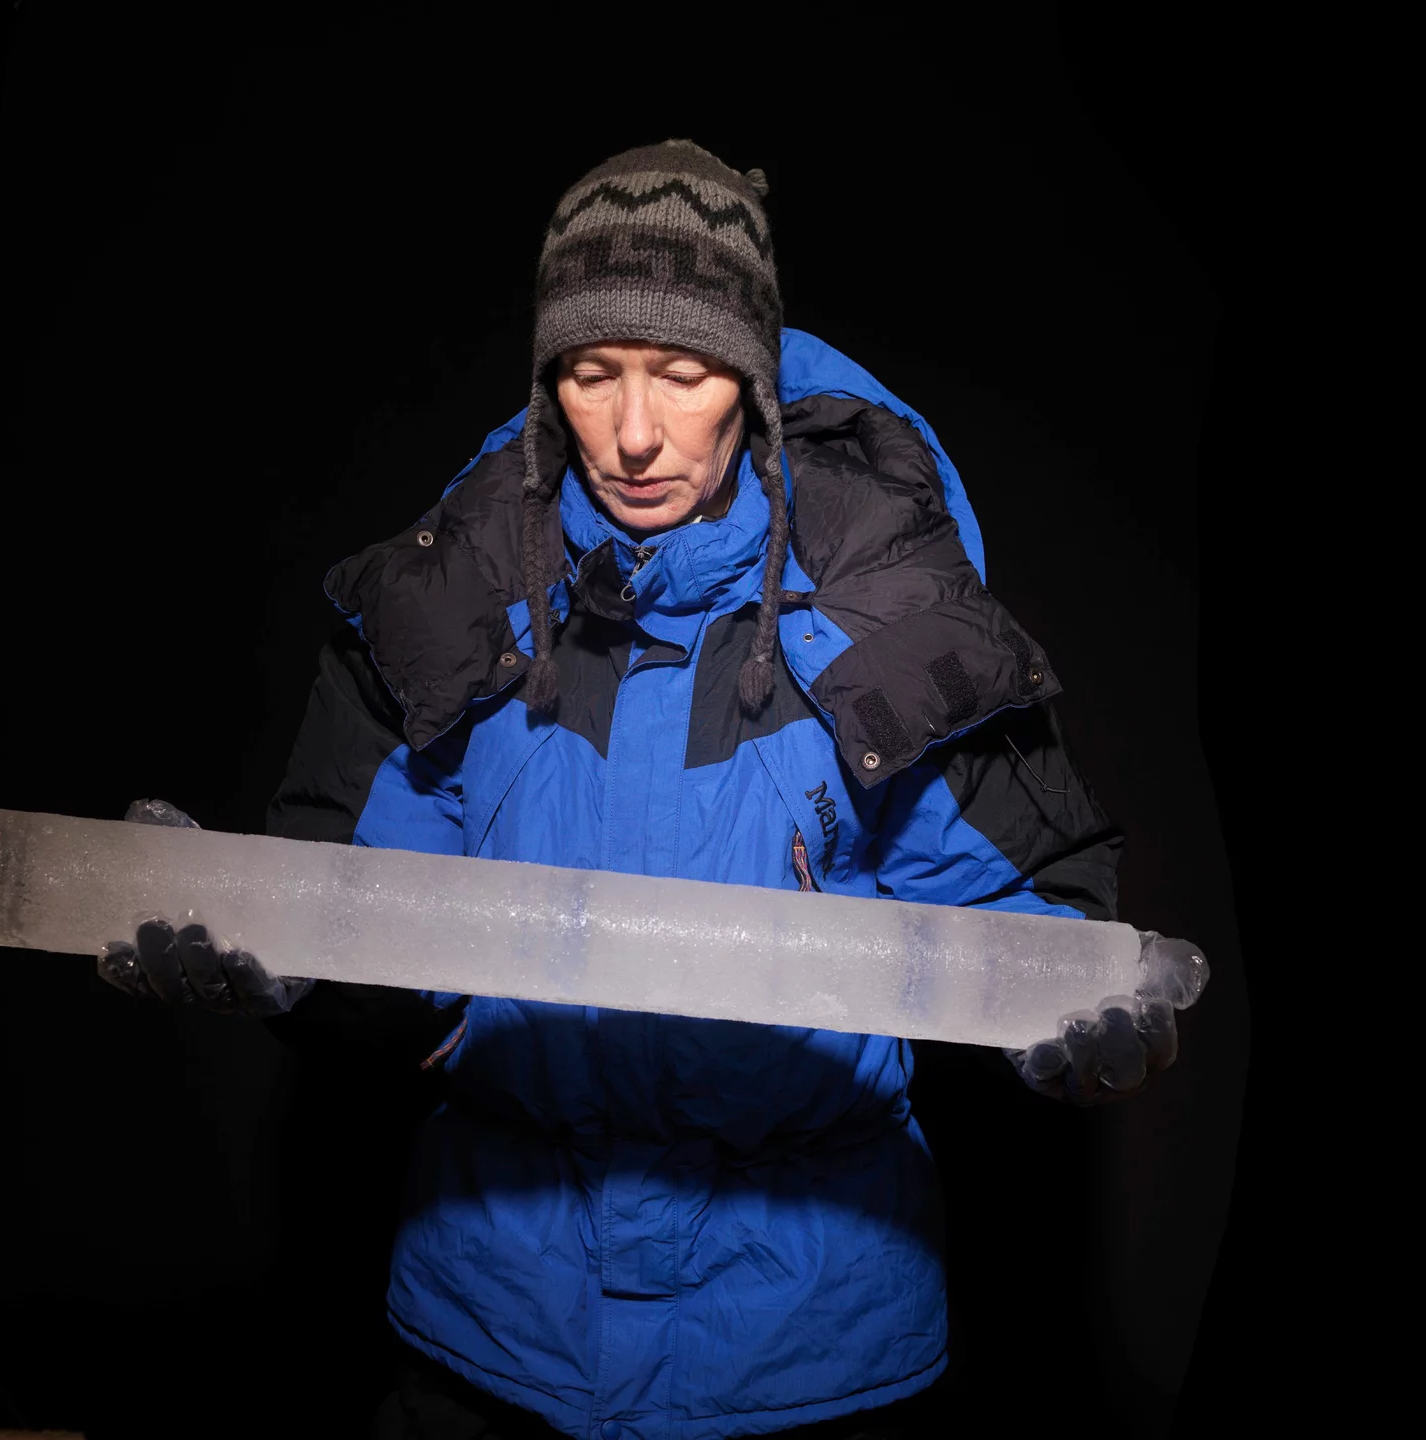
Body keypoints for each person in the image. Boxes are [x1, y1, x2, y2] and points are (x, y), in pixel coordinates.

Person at [98, 140, 1208, 1440]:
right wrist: (270, 947)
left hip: (807, 1363)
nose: (633, 434)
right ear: (546, 381)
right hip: (485, 1343)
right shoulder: (453, 619)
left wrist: (1075, 1014)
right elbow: (380, 957)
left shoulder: (892, 635)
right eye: (591, 372)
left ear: (752, 377)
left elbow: (1038, 920)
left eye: (683, 375)